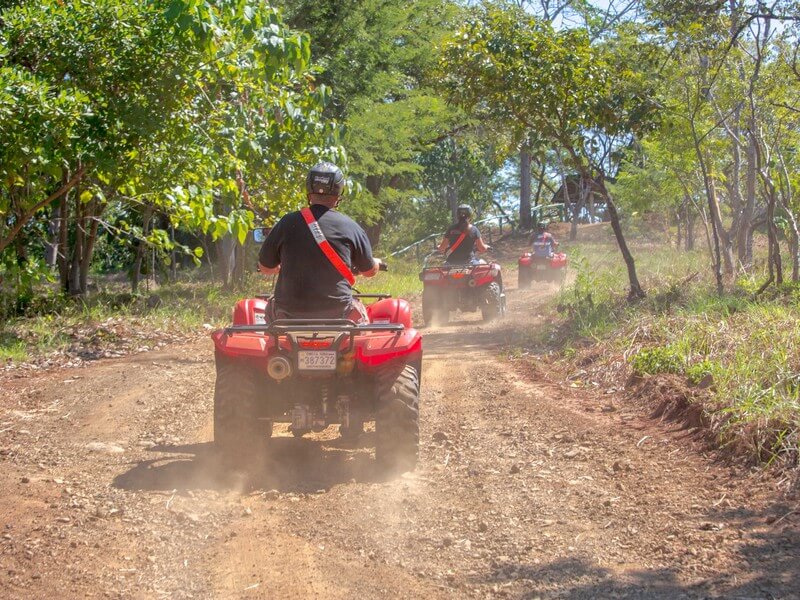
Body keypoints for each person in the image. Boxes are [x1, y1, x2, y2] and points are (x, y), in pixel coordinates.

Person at [257, 162, 382, 322]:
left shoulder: (286, 223)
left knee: (269, 313)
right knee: (361, 321)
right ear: (338, 194)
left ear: (309, 191)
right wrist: (376, 263)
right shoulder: (351, 226)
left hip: (287, 316)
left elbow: (265, 267)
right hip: (338, 314)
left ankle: (275, 347)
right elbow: (369, 271)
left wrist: (278, 268)